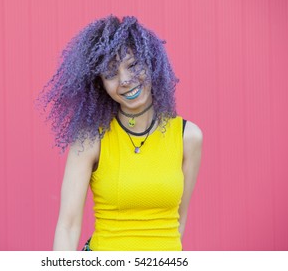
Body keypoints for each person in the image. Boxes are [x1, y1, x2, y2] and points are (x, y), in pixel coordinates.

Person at [35, 15, 202, 251]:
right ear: (99, 84)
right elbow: (68, 226)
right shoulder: (91, 139)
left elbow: (178, 222)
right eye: (110, 74)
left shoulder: (188, 137)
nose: (124, 80)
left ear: (152, 63)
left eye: (133, 65)